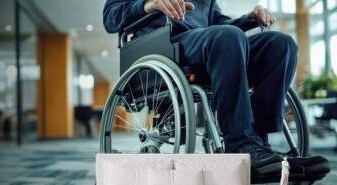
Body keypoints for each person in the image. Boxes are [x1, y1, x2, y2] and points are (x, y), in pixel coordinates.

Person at [103, 0, 323, 169]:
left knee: (281, 45)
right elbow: (110, 17)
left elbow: (218, 24)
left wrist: (249, 19)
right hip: (165, 45)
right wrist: (147, 4)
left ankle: (259, 142)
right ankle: (239, 142)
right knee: (227, 37)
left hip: (209, 43)